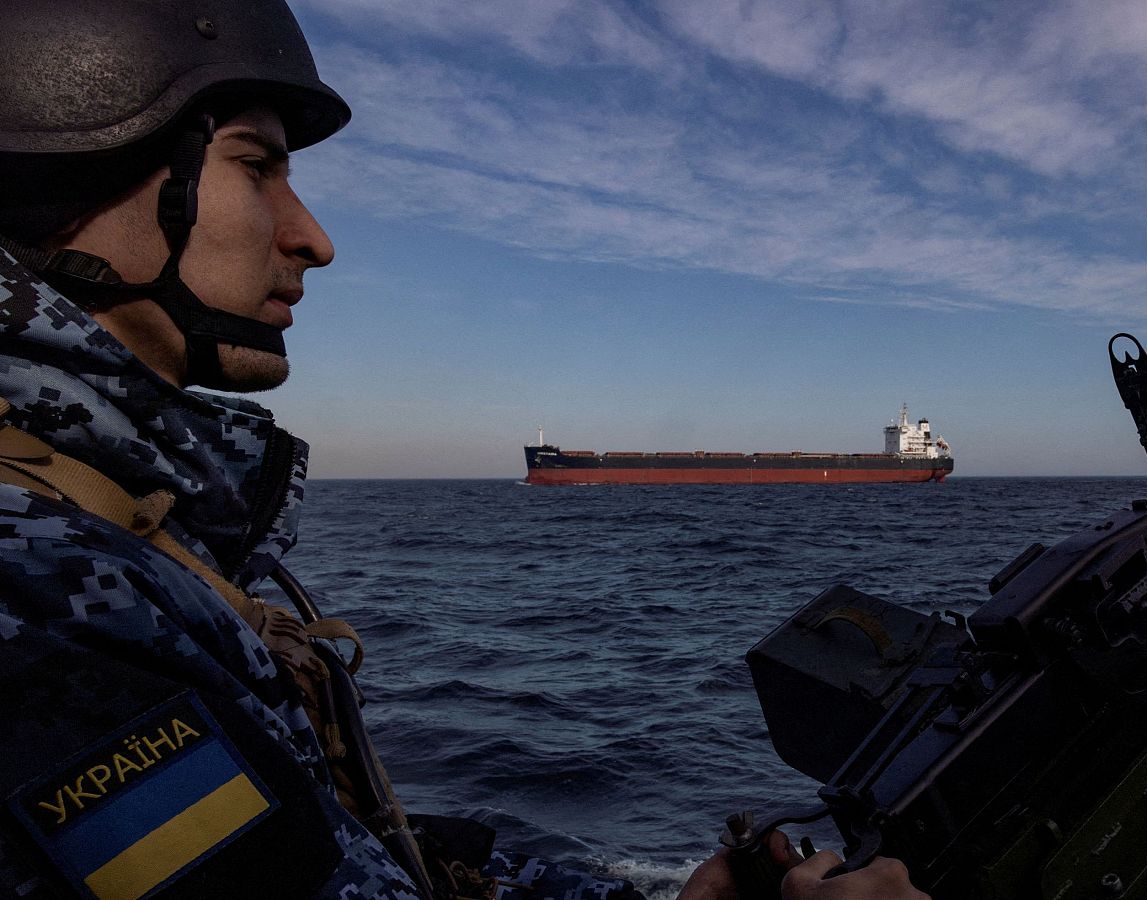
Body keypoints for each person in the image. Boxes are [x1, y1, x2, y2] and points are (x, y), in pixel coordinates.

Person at [0, 2, 929, 899]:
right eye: (257, 167)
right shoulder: (37, 589)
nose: (313, 239)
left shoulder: (118, 521)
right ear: (71, 169)